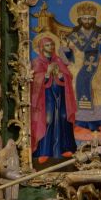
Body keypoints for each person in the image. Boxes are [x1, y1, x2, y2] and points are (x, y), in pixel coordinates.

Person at [63, 1, 101, 139]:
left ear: (94, 20)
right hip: (78, 69)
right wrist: (65, 50)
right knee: (76, 85)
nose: (87, 21)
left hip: (98, 69)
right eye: (84, 18)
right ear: (80, 20)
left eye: (90, 18)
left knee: (99, 89)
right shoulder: (73, 37)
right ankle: (81, 124)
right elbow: (67, 57)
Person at [31, 35, 77, 163]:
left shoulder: (58, 60)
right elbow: (34, 82)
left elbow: (68, 76)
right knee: (48, 119)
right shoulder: (37, 62)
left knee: (63, 117)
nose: (50, 47)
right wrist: (46, 73)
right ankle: (44, 151)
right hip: (45, 97)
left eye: (52, 44)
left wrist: (61, 76)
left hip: (61, 94)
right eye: (47, 45)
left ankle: (66, 148)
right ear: (41, 47)